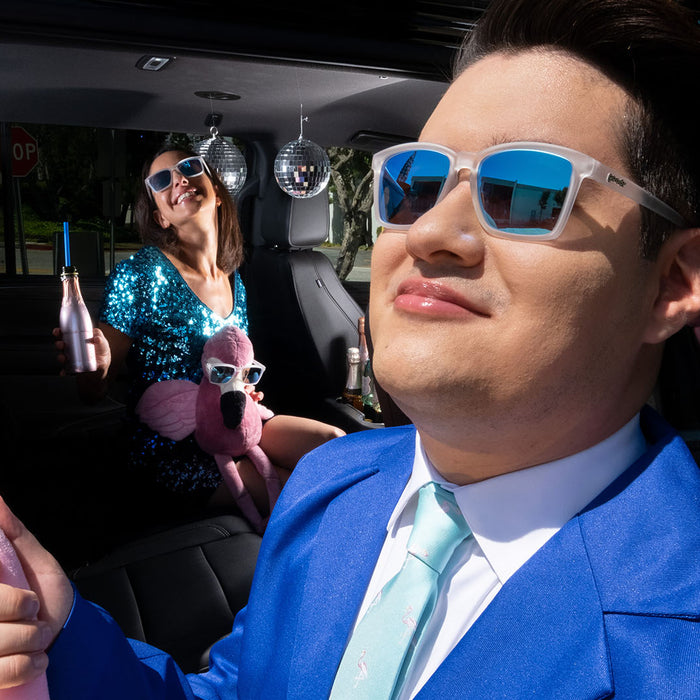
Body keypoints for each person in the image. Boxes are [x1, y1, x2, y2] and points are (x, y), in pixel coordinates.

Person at [3, 0, 700, 696]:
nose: (428, 231)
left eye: (528, 190)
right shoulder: (330, 485)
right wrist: (60, 642)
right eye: (416, 184)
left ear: (672, 283)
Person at [54, 147, 344, 528]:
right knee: (301, 496)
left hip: (233, 425)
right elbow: (92, 391)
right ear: (160, 216)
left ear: (217, 191)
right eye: (162, 180)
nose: (178, 179)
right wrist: (98, 364)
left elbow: (232, 367)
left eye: (189, 167)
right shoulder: (139, 275)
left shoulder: (234, 281)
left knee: (335, 444)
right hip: (173, 452)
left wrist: (244, 390)